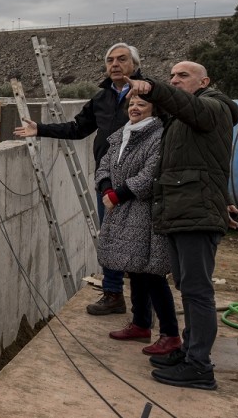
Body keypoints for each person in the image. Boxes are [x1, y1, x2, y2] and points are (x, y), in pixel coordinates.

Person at [126, 61, 238, 391]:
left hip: (196, 215)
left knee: (197, 291)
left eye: (183, 76)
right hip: (183, 213)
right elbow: (209, 165)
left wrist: (155, 88)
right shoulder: (183, 119)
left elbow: (188, 105)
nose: (176, 79)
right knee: (187, 288)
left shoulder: (214, 107)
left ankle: (199, 366)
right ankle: (189, 351)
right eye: (172, 76)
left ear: (204, 81)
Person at [14, 43, 144, 315]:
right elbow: (77, 128)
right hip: (107, 179)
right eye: (110, 60)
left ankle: (145, 307)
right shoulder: (101, 98)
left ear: (135, 64)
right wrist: (40, 129)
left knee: (142, 239)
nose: (115, 64)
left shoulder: (150, 93)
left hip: (140, 180)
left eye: (122, 59)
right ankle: (113, 294)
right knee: (109, 236)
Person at [94, 95, 181, 356]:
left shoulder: (158, 137)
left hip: (143, 212)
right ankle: (141, 323)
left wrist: (119, 194)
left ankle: (170, 334)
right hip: (120, 209)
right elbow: (105, 164)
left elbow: (151, 174)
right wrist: (106, 186)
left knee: (151, 271)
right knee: (134, 268)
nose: (134, 108)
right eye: (131, 104)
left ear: (154, 109)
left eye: (141, 104)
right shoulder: (122, 134)